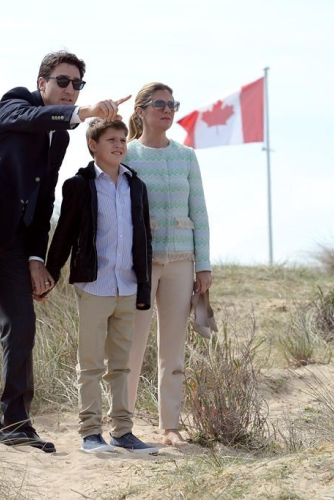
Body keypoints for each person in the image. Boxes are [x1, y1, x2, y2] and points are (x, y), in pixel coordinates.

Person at [0, 51, 129, 452]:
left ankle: (17, 422)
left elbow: (43, 201)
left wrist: (36, 259)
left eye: (77, 84)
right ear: (42, 83)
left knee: (22, 326)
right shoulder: (16, 102)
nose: (70, 89)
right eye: (63, 82)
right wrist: (84, 111)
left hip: (11, 242)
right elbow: (30, 119)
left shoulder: (59, 138)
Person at [45, 118, 157, 454]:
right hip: (93, 286)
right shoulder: (79, 185)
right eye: (111, 139)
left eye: (123, 139)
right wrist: (49, 274)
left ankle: (123, 432)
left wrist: (145, 286)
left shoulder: (136, 185)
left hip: (128, 286)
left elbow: (144, 240)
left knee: (121, 365)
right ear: (93, 145)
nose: (120, 145)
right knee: (91, 364)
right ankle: (90, 433)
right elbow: (63, 232)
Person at [124, 82, 212, 447]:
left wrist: (203, 265)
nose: (168, 109)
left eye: (172, 104)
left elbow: (200, 212)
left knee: (173, 348)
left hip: (181, 261)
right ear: (141, 110)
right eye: (159, 104)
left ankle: (170, 425)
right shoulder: (126, 153)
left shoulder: (187, 156)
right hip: (138, 264)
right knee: (130, 345)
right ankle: (121, 422)